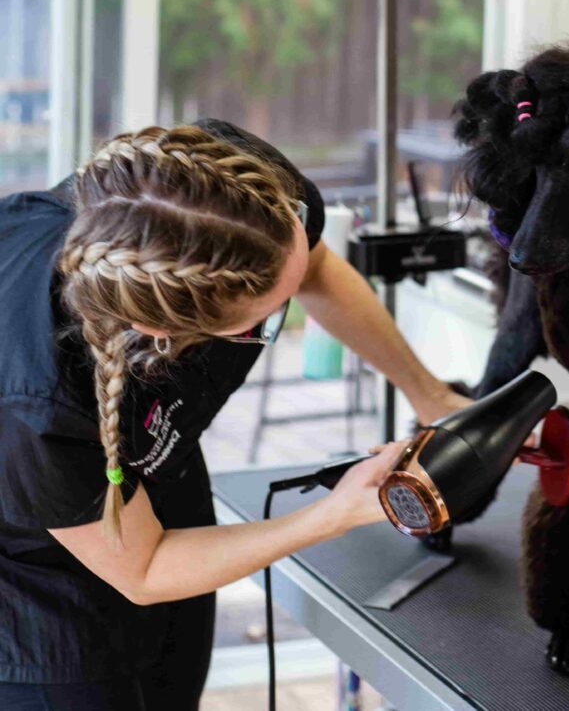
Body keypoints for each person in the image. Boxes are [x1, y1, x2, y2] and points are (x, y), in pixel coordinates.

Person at [0, 119, 471, 710]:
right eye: (269, 319)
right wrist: (334, 513)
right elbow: (143, 569)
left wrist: (427, 392)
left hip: (156, 475)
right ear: (162, 332)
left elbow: (317, 269)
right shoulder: (38, 400)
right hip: (40, 595)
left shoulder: (222, 191)